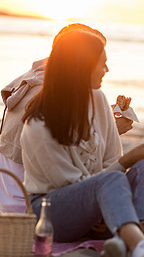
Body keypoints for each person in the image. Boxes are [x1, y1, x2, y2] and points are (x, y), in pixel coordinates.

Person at [21, 30, 144, 257]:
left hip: (100, 205)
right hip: (52, 211)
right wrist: (128, 159)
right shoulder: (38, 123)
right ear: (81, 68)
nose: (106, 70)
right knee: (113, 176)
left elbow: (111, 160)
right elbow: (69, 184)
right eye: (102, 64)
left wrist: (132, 161)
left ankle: (127, 240)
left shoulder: (98, 100)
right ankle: (138, 245)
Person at [0, 23, 133, 213]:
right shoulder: (42, 97)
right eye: (95, 57)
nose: (104, 68)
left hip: (13, 192)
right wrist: (109, 130)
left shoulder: (37, 80)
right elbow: (64, 171)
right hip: (27, 204)